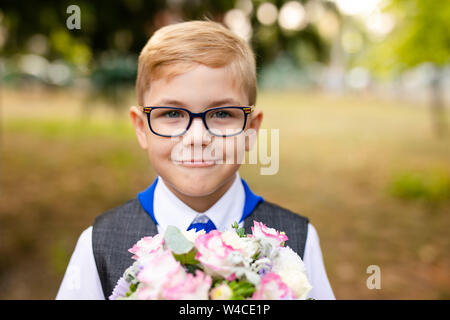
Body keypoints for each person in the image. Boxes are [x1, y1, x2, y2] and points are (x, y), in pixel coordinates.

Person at [56, 20, 335, 300]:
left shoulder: (299, 240)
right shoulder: (98, 245)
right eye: (173, 114)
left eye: (222, 114)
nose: (198, 137)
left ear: (251, 130)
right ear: (141, 128)